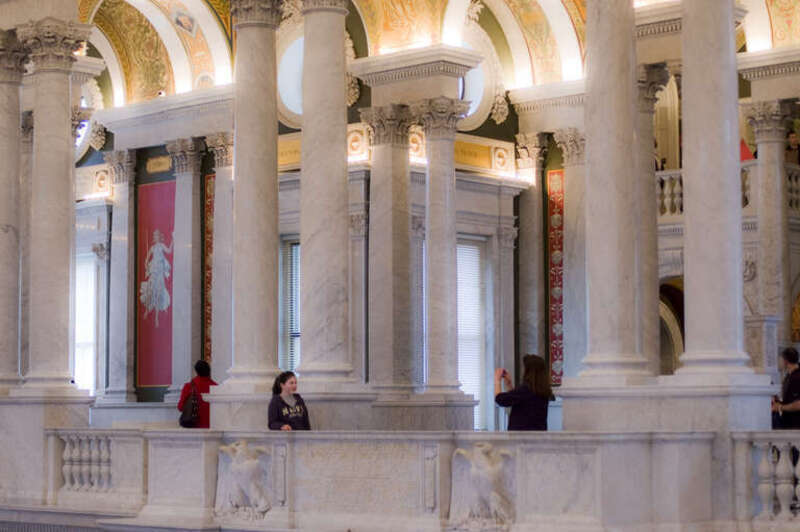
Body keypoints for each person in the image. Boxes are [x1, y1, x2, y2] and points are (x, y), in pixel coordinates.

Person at [494, 354, 550, 431]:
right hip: (539, 435)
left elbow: (500, 399)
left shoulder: (526, 390)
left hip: (521, 437)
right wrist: (509, 384)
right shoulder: (543, 390)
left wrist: (497, 380)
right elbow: (516, 400)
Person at [177, 360, 217, 429]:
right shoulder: (216, 387)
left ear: (196, 371)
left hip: (194, 426)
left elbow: (180, 407)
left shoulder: (189, 386)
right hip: (213, 427)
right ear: (209, 371)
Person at [773, 347, 800, 430]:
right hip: (788, 423)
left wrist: (780, 407)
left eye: (780, 359)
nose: (779, 362)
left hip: (796, 425)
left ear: (785, 360)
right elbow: (790, 400)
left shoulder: (797, 377)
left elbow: (798, 404)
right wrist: (778, 401)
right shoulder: (789, 376)